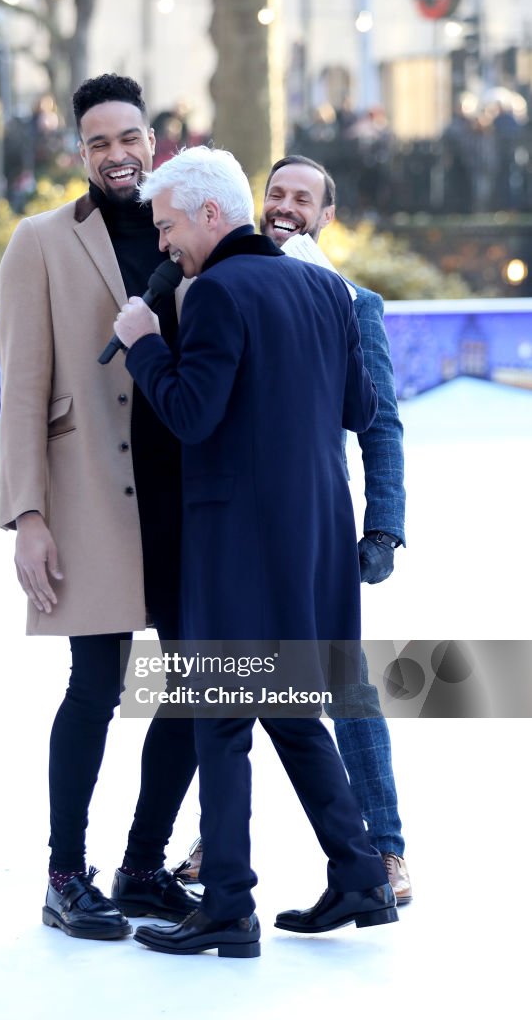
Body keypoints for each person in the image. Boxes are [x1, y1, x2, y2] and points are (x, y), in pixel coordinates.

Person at [113, 146, 396, 957]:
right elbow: (357, 404)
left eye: (167, 226)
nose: (164, 244)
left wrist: (143, 343)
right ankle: (360, 872)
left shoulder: (216, 292)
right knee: (290, 710)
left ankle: (227, 906)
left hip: (238, 539)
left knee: (219, 716)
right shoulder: (320, 286)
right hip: (313, 538)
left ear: (208, 214)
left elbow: (191, 413)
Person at [177, 154, 412, 906]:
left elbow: (378, 426)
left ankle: (382, 852)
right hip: (245, 527)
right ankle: (218, 844)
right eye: (274, 193)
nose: (283, 206)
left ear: (325, 216)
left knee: (340, 686)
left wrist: (383, 528)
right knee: (234, 681)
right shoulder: (217, 284)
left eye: (300, 198)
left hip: (313, 533)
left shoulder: (349, 298)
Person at [0, 74, 200, 942]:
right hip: (90, 499)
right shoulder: (39, 241)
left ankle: (143, 866)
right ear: (79, 153)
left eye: (129, 138)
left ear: (151, 140)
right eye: (98, 143)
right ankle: (63, 875)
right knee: (95, 686)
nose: (117, 155)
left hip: (191, 499)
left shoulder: (193, 228)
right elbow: (21, 391)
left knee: (197, 688)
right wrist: (27, 518)